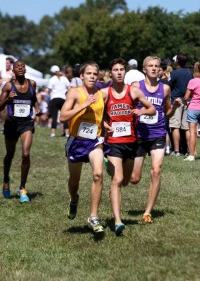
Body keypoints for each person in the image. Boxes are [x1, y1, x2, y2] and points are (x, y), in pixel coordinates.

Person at [101, 58, 156, 235]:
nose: (119, 72)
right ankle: (118, 221)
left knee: (126, 180)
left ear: (125, 72)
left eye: (121, 70)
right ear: (110, 73)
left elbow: (152, 109)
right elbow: (94, 113)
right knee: (117, 181)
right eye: (115, 69)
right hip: (114, 143)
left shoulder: (133, 91)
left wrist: (141, 111)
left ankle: (113, 173)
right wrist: (103, 124)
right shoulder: (105, 93)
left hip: (131, 142)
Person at [130, 56, 182, 223]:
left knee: (156, 170)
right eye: (150, 66)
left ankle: (147, 212)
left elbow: (167, 113)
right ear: (144, 69)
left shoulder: (165, 88)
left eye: (157, 66)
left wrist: (174, 107)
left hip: (158, 134)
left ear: (160, 69)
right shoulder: (136, 86)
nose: (154, 68)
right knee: (134, 179)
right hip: (139, 135)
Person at [60, 61, 106, 234]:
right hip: (77, 141)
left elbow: (99, 114)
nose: (92, 77)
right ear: (82, 76)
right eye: (89, 74)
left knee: (98, 174)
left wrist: (105, 124)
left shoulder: (101, 94)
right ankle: (73, 199)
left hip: (95, 140)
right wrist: (83, 105)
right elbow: (62, 117)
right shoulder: (74, 93)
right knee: (74, 181)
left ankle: (93, 217)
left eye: (95, 74)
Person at [0, 60, 39, 202]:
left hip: (26, 124)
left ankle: (22, 188)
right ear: (13, 71)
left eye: (23, 66)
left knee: (26, 154)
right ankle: (5, 179)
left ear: (25, 69)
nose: (20, 68)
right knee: (10, 154)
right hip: (11, 124)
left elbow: (33, 97)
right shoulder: (8, 86)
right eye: (18, 67)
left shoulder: (32, 83)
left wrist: (37, 107)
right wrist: (7, 100)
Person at [169, 54, 193, 156]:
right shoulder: (189, 73)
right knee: (186, 127)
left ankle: (177, 151)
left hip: (176, 101)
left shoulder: (174, 73)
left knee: (175, 126)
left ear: (177, 62)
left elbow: (168, 85)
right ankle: (188, 150)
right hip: (187, 101)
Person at [48, 65, 71, 137]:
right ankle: (67, 133)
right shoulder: (64, 78)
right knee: (64, 116)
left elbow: (49, 90)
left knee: (54, 116)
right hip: (63, 98)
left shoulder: (52, 79)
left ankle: (53, 133)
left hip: (54, 98)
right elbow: (69, 88)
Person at [184, 61, 200, 161]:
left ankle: (192, 155)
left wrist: (188, 102)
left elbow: (186, 97)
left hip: (193, 108)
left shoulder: (193, 81)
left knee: (193, 132)